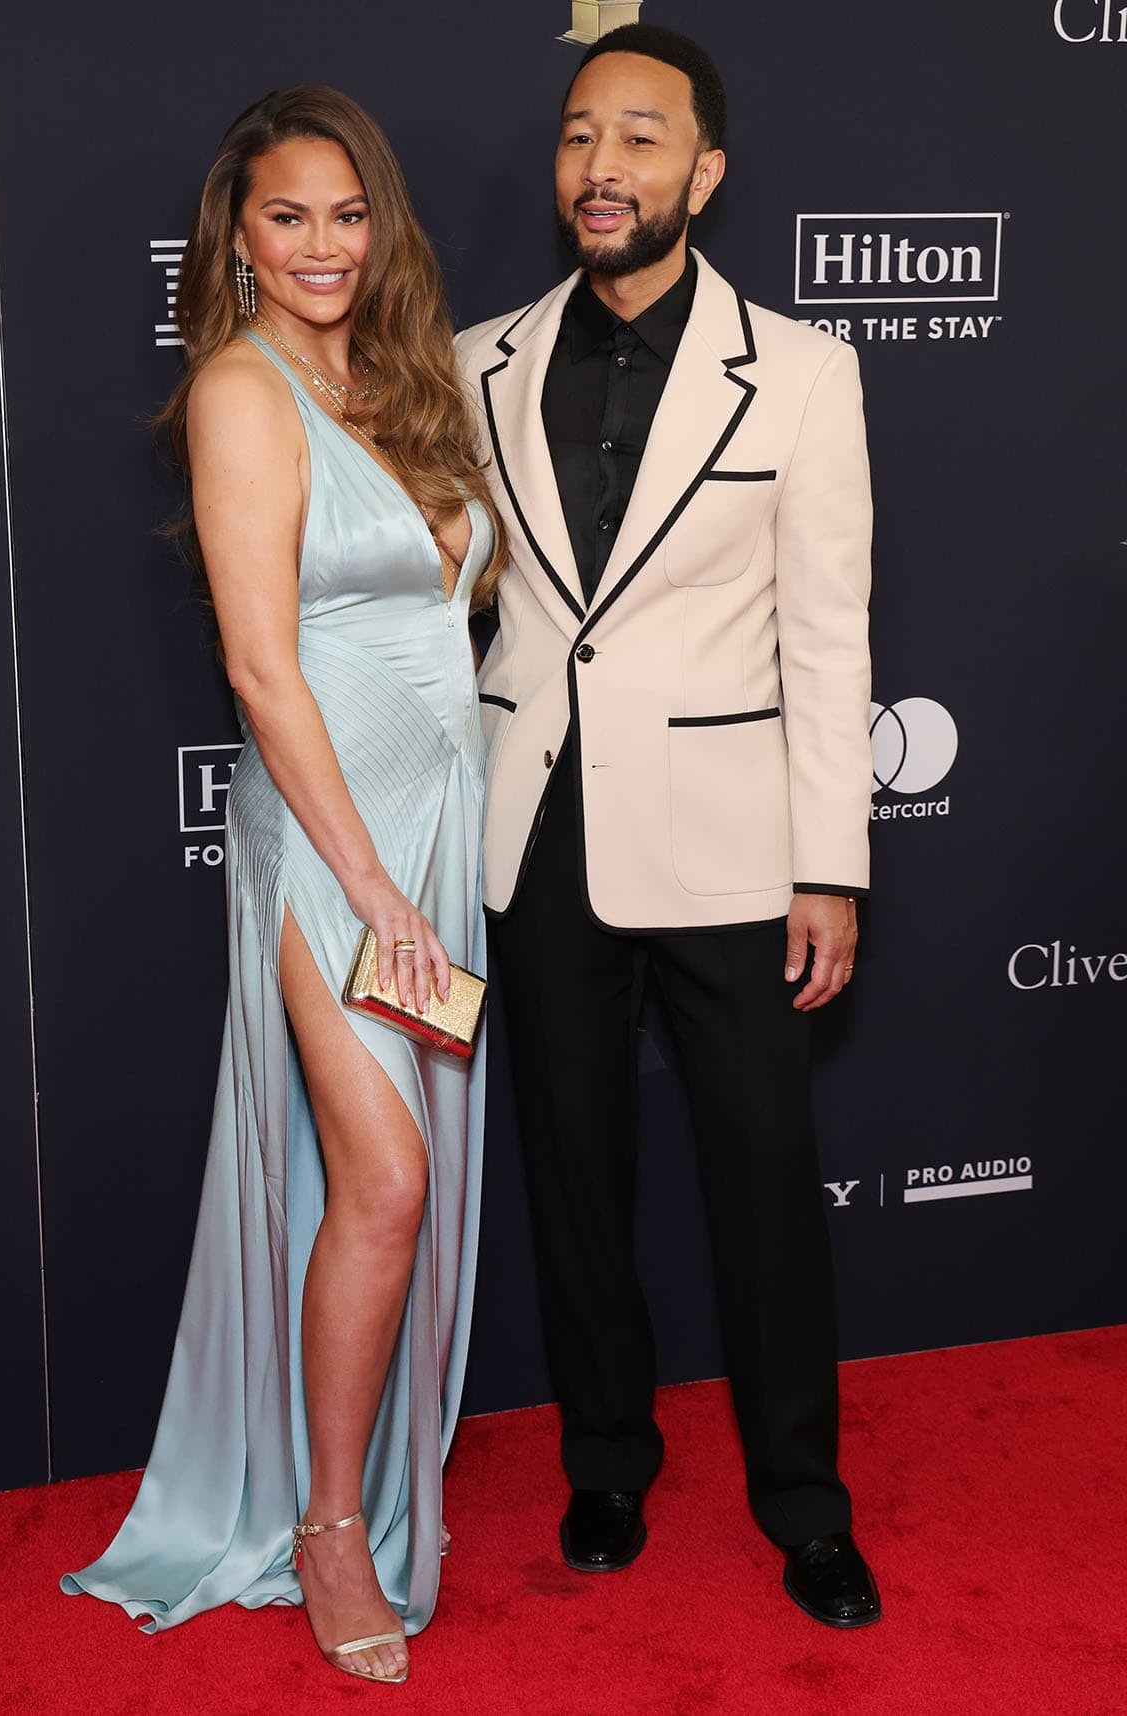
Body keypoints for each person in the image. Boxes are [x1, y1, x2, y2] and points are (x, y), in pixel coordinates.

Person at [63, 85, 504, 1684]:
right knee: (384, 1180)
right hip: (336, 839)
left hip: (434, 825)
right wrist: (374, 883)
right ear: (236, 242)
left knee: (388, 1188)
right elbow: (260, 666)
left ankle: (366, 1491)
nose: (323, 244)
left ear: (379, 224)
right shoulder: (244, 394)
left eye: (347, 212)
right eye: (285, 217)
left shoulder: (401, 376)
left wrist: (437, 858)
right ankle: (329, 1526)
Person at [456, 25, 881, 1627]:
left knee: (765, 1185)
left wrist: (828, 859)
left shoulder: (810, 369)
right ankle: (607, 1465)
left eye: (639, 139)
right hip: (540, 829)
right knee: (574, 1173)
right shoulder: (479, 358)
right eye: (579, 138)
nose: (602, 168)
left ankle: (806, 1503)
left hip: (727, 836)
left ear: (703, 171)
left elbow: (829, 632)